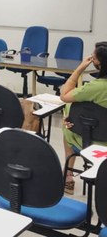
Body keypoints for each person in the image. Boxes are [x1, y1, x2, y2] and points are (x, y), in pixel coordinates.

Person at [61, 41, 107, 194]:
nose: (91, 59)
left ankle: (68, 178)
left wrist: (80, 68)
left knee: (67, 128)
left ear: (100, 63)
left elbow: (65, 95)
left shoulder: (96, 87)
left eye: (93, 58)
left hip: (97, 142)